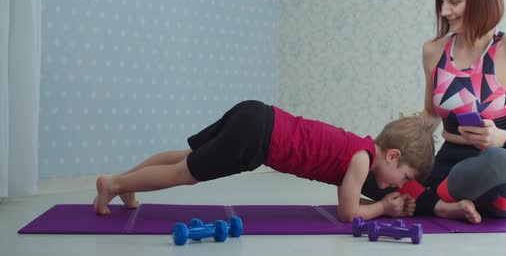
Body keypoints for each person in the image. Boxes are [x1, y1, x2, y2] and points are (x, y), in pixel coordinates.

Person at [361, 0, 506, 224]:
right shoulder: (433, 50)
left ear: (481, 0)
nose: (444, 11)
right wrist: (384, 146)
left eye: (454, 2)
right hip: (446, 163)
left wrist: (500, 138)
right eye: (442, 2)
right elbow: (431, 116)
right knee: (364, 165)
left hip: (494, 173)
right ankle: (444, 204)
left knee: (503, 164)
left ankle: (431, 198)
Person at [93, 100, 435, 222]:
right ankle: (115, 184)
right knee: (188, 172)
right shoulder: (360, 161)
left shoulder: (360, 151)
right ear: (392, 155)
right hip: (258, 136)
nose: (396, 185)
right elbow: (347, 214)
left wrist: (391, 201)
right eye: (402, 176)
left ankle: (125, 182)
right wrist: (381, 209)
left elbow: (352, 198)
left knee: (187, 157)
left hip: (257, 114)